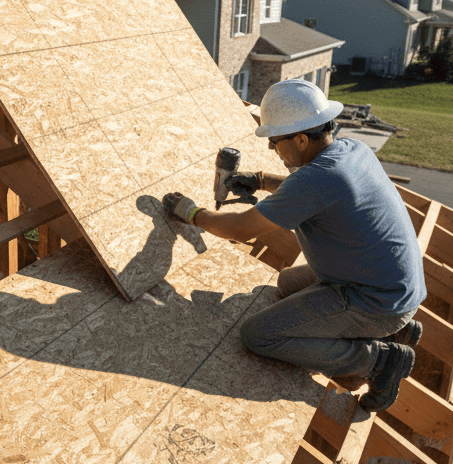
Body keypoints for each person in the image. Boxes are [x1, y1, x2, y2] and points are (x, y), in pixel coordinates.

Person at [163, 80, 426, 412]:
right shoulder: (351, 150)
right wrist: (261, 180)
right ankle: (395, 333)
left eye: (274, 142)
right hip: (396, 285)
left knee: (259, 335)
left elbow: (242, 229)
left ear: (301, 139)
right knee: (287, 282)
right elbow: (310, 187)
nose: (273, 150)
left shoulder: (316, 181)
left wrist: (191, 213)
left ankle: (378, 360)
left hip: (376, 301)